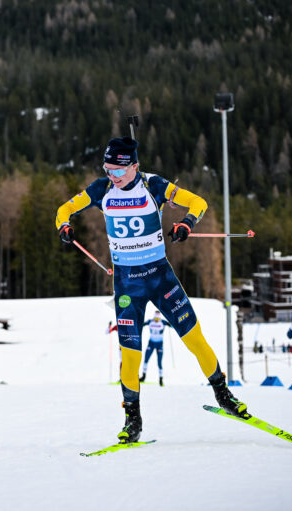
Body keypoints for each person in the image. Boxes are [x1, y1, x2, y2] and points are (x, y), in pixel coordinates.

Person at [55, 136, 248, 444]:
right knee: (130, 355)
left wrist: (186, 223)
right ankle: (133, 420)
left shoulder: (154, 186)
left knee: (194, 338)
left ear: (134, 166)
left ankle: (224, 395)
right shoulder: (101, 190)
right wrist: (63, 226)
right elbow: (64, 209)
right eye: (107, 170)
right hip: (127, 284)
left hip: (160, 278)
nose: (113, 177)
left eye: (118, 171)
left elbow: (199, 202)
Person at [140, 310, 170, 386]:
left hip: (159, 344)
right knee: (146, 359)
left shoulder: (163, 322)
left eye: (158, 319)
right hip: (151, 343)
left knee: (159, 362)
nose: (156, 321)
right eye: (155, 319)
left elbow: (172, 325)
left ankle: (161, 379)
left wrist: (171, 322)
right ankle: (143, 376)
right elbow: (142, 324)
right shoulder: (150, 321)